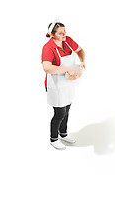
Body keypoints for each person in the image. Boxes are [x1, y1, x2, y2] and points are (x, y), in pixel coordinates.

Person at [41, 19, 86, 150]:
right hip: (54, 84)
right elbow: (47, 68)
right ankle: (53, 138)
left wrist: (82, 61)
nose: (64, 34)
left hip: (67, 81)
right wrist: (66, 69)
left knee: (67, 109)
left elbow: (80, 50)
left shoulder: (67, 40)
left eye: (64, 31)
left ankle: (63, 134)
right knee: (59, 112)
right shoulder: (48, 48)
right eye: (60, 33)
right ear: (52, 35)